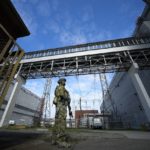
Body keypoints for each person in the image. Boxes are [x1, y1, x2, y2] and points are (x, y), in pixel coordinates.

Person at [52, 78, 73, 148]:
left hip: (62, 107)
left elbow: (68, 102)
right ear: (60, 82)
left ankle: (54, 140)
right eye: (63, 81)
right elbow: (62, 96)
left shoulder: (65, 90)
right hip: (61, 107)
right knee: (62, 122)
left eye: (65, 81)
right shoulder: (60, 87)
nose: (65, 82)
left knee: (57, 122)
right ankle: (61, 141)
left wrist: (70, 110)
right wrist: (67, 99)